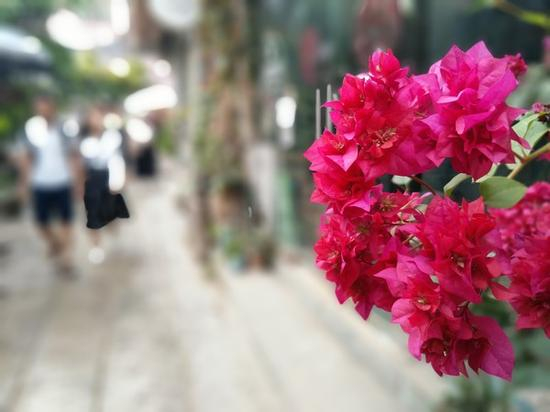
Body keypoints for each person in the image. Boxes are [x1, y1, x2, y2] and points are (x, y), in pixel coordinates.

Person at [15, 94, 83, 274]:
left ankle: (67, 259)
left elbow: (74, 155)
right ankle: (55, 243)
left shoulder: (65, 128)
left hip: (63, 181)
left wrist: (78, 182)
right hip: (40, 182)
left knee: (66, 222)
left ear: (53, 108)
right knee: (41, 222)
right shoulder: (31, 129)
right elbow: (26, 158)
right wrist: (23, 183)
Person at [80, 106, 129, 264]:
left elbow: (119, 159)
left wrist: (120, 180)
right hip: (92, 178)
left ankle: (111, 228)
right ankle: (96, 246)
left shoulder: (112, 137)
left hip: (109, 177)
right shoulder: (83, 139)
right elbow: (79, 164)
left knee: (109, 211)